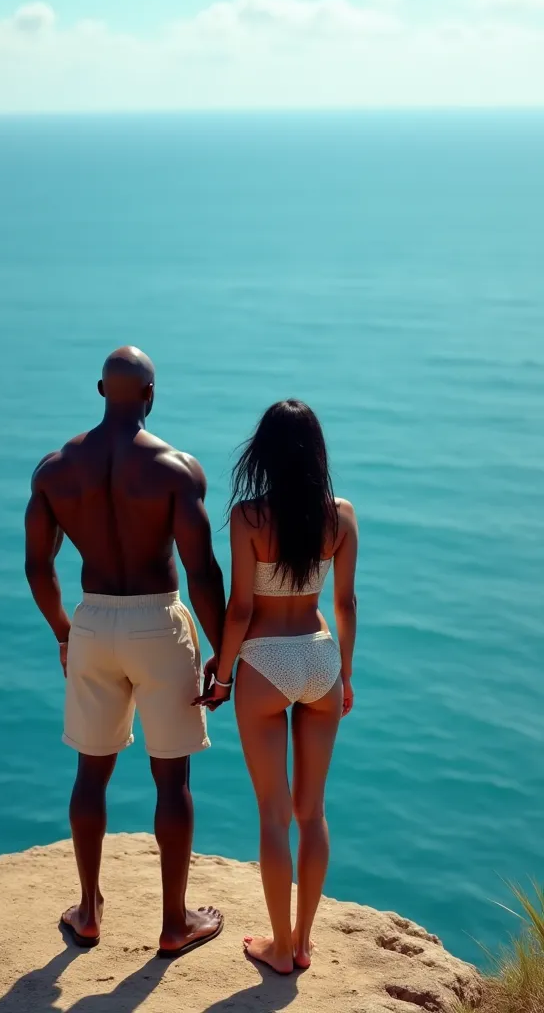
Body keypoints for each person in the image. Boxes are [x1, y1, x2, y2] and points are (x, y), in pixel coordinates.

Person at [25, 346, 227, 957]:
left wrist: (64, 632)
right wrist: (225, 653)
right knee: (173, 777)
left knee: (91, 769)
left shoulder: (55, 470)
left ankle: (87, 911)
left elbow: (38, 568)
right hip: (158, 623)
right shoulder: (175, 468)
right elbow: (203, 573)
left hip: (91, 623)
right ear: (151, 394)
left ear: (99, 390)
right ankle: (173, 924)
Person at [196, 399, 358, 975]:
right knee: (311, 814)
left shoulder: (249, 518)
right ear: (317, 454)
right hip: (321, 658)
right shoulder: (339, 517)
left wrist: (221, 675)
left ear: (263, 453)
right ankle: (305, 943)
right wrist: (347, 677)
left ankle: (280, 948)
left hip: (264, 661)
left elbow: (240, 608)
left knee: (273, 816)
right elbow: (344, 604)